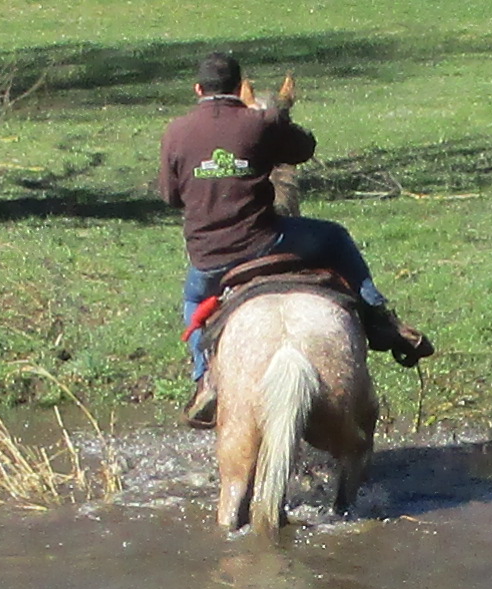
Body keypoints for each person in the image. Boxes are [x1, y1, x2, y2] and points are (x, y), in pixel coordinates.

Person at [153, 47, 432, 417]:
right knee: (334, 236)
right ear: (239, 88)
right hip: (266, 242)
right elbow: (303, 149)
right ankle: (380, 320)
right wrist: (270, 122)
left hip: (209, 257)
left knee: (193, 302)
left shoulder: (176, 131)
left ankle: (204, 376)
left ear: (198, 90)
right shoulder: (258, 123)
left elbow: (171, 196)